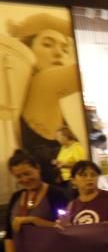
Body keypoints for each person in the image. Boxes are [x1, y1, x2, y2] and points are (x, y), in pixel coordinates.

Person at [7, 13, 81, 184]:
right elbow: (90, 60)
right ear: (29, 49)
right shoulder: (43, 83)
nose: (58, 53)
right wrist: (46, 21)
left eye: (64, 49)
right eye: (48, 44)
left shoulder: (48, 97)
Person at [62, 160, 108, 226]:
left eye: (93, 175)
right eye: (84, 175)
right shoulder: (71, 207)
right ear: (73, 180)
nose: (89, 178)